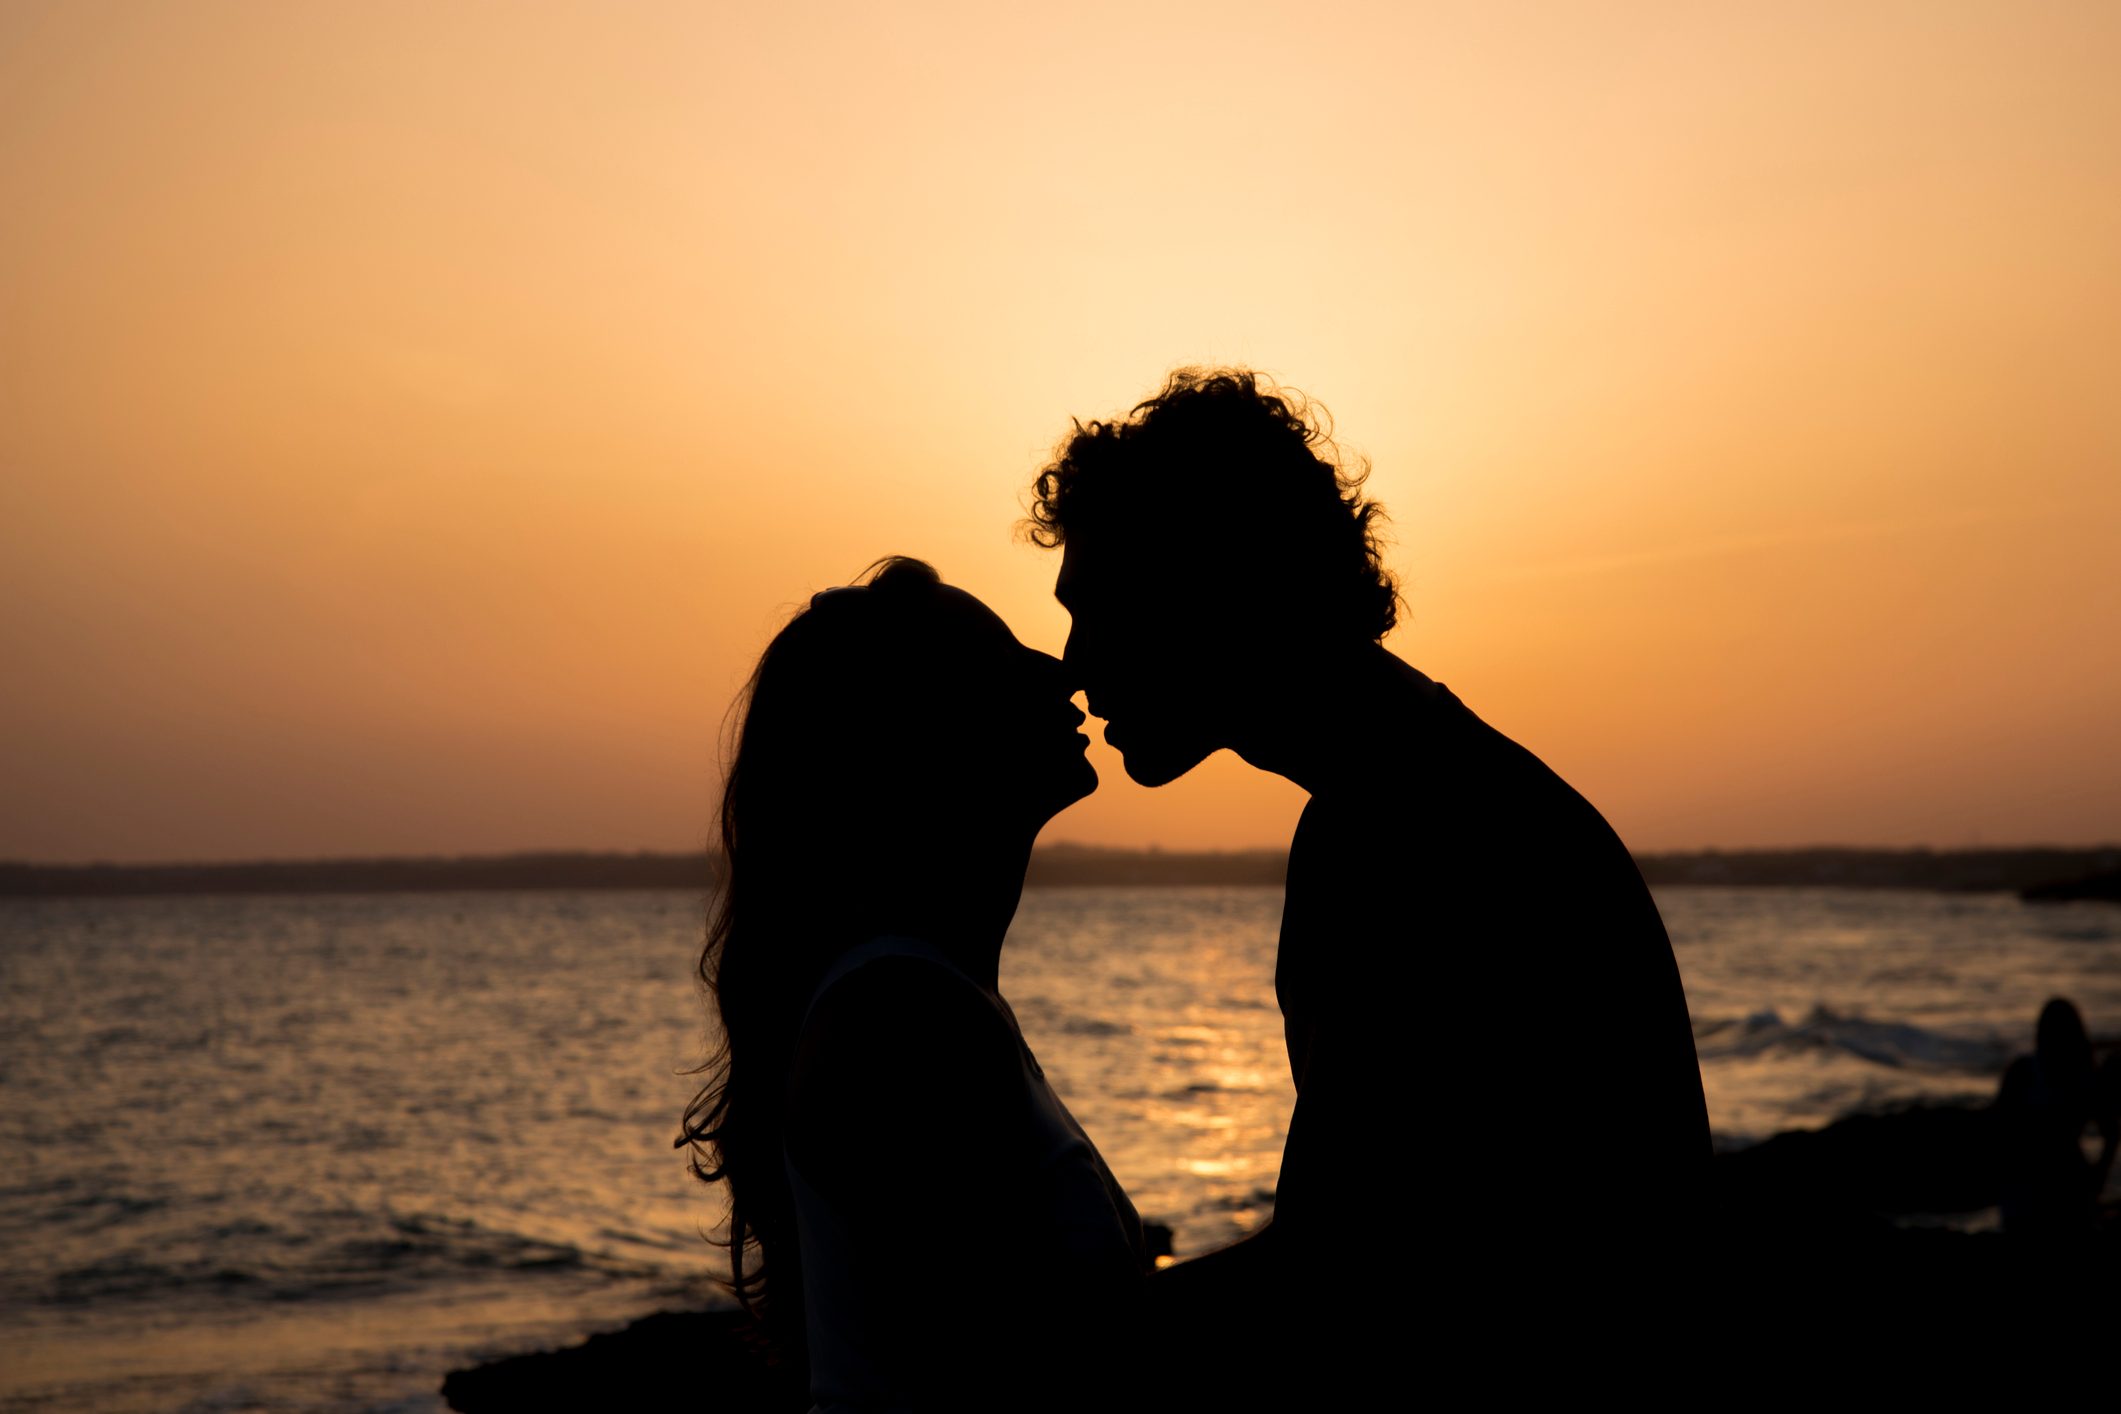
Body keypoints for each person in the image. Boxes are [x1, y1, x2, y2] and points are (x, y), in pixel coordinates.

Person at [1026, 369, 1713, 1390]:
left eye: (1101, 609)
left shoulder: (1408, 831)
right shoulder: (1417, 793)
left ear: (1214, 587)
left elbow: (1350, 1276)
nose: (1075, 663)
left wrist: (1034, 1354)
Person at [679, 557, 1147, 1412]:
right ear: (925, 736)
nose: (1061, 672)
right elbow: (1032, 1362)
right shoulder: (899, 1022)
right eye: (1004, 657)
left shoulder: (933, 998)